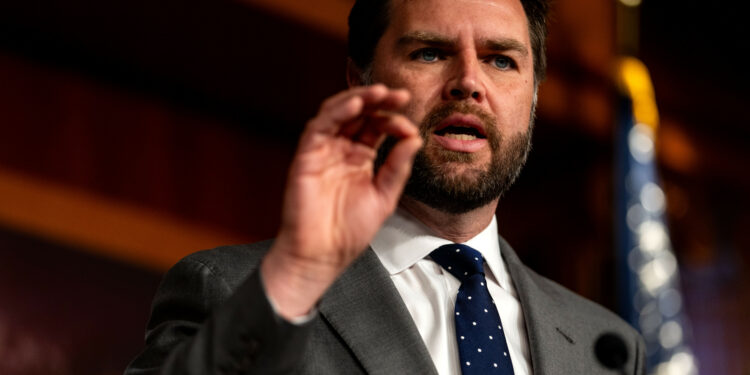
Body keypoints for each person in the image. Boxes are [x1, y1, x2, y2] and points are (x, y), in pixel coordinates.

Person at [126, 0, 645, 373]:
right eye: (429, 52)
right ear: (362, 84)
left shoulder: (607, 347)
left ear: (531, 99)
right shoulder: (231, 291)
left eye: (500, 59)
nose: (469, 80)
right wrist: (298, 275)